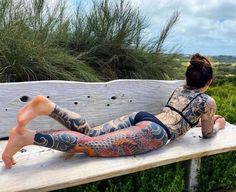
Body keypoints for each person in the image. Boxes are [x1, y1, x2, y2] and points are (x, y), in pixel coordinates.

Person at [2, 53, 226, 169]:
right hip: (155, 133)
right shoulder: (207, 102)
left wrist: (196, 122)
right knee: (90, 146)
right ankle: (27, 136)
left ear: (188, 77)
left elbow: (182, 116)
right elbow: (207, 134)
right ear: (209, 82)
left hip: (143, 118)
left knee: (90, 133)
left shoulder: (180, 89)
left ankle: (48, 107)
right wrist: (217, 124)